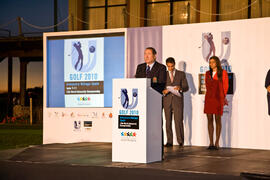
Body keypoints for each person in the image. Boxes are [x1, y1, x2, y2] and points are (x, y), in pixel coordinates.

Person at [135, 47, 166, 159]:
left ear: (155, 55)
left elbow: (161, 84)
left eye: (149, 54)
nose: (146, 56)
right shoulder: (140, 67)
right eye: (145, 54)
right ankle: (141, 151)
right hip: (141, 102)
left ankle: (159, 152)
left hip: (154, 101)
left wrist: (147, 86)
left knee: (156, 126)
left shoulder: (161, 68)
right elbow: (137, 83)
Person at [163, 57, 189, 147]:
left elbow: (186, 87)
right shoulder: (164, 74)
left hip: (178, 100)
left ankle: (180, 141)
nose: (170, 68)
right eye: (168, 66)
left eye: (172, 66)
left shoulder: (181, 74)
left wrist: (180, 88)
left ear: (174, 64)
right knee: (168, 121)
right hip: (167, 100)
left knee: (178, 121)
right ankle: (169, 141)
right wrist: (164, 91)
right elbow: (161, 87)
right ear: (166, 65)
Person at [204, 56, 228, 150]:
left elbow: (225, 86)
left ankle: (217, 142)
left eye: (213, 62)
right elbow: (207, 85)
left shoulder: (222, 73)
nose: (211, 64)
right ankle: (211, 143)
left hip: (218, 98)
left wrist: (222, 97)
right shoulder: (207, 73)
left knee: (218, 120)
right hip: (209, 98)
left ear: (217, 63)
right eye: (210, 62)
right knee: (209, 120)